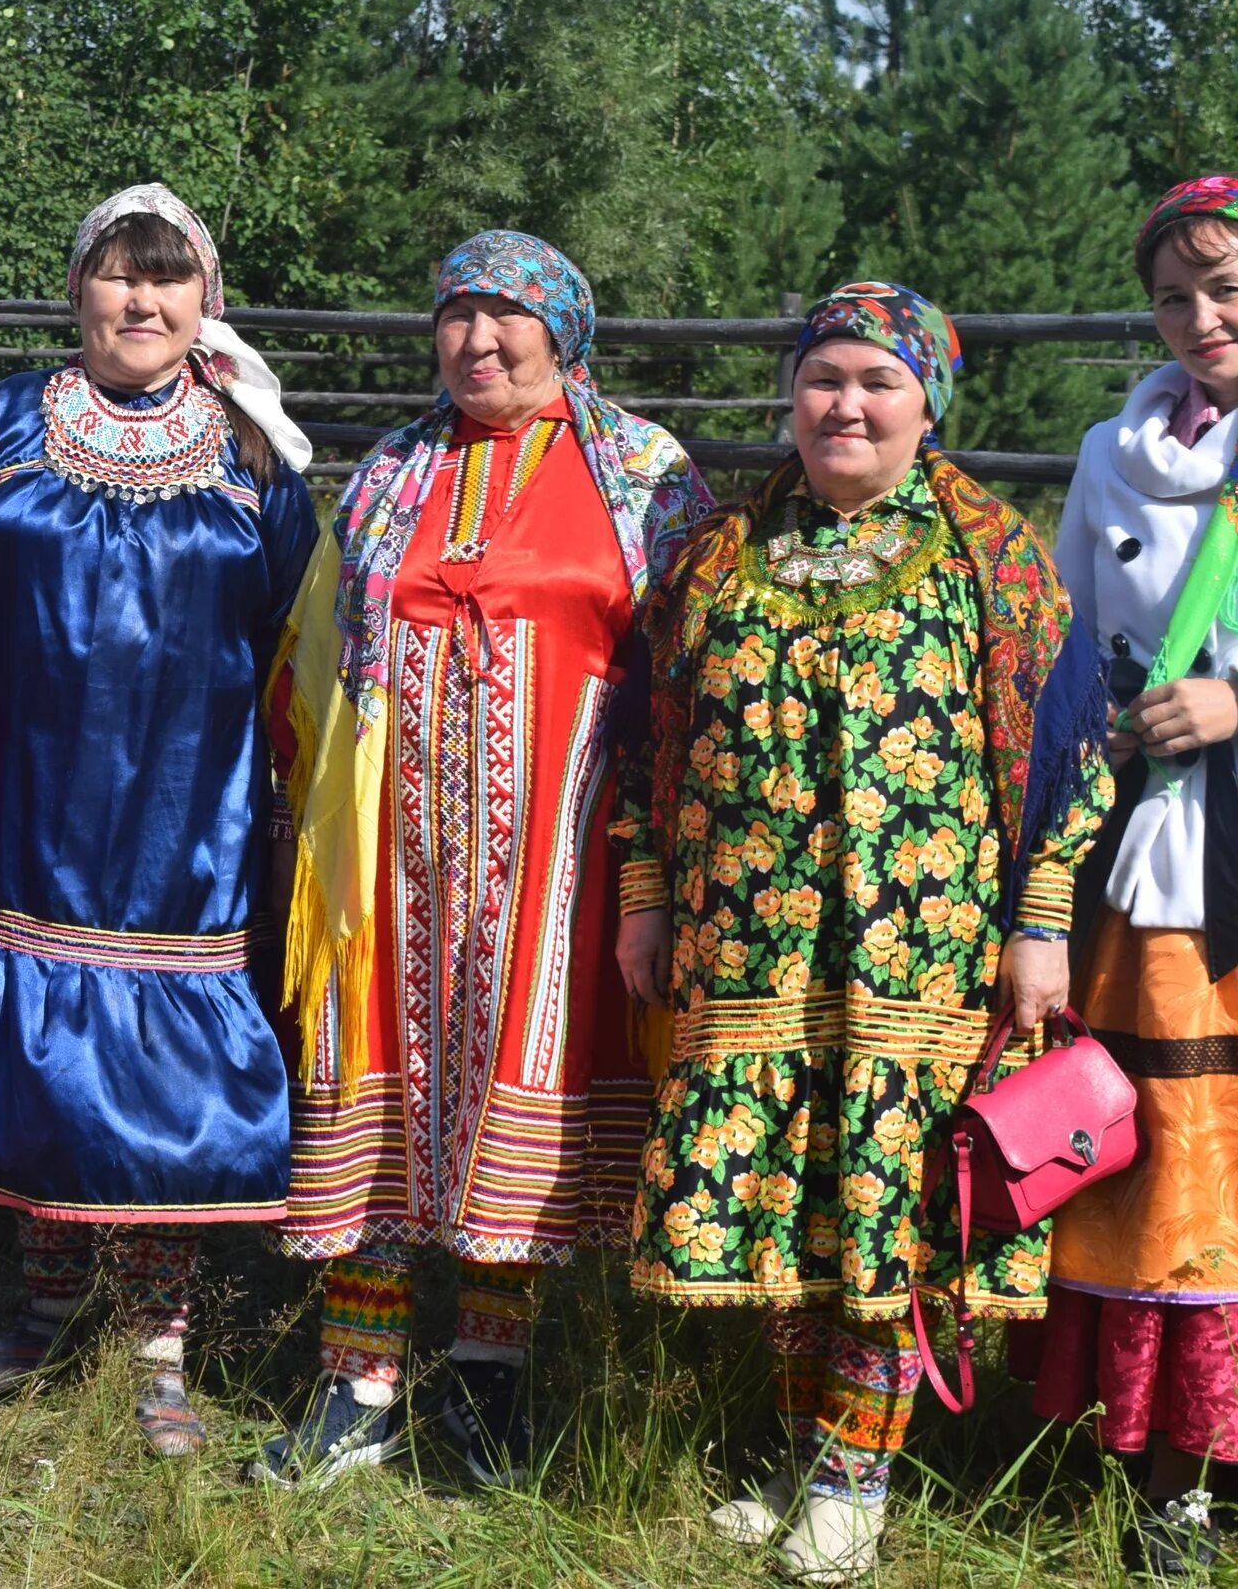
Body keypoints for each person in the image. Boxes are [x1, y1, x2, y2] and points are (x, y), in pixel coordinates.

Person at [618, 282, 1111, 1582]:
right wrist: (647, 894)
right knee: (787, 1206)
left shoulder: (992, 560)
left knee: (895, 1217)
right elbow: (644, 748)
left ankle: (855, 1478)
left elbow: (1066, 759)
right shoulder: (714, 557)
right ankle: (794, 1452)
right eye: (826, 378)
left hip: (923, 957)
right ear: (791, 393)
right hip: (750, 956)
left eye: (878, 383)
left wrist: (1040, 923)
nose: (847, 404)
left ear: (928, 402)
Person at [255, 230, 712, 1489]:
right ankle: (357, 1384)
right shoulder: (392, 471)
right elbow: (321, 648)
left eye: (507, 316)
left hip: (558, 857)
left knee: (514, 1088)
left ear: (562, 332)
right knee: (386, 1095)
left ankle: (486, 1382)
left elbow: (687, 668)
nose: (477, 340)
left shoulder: (645, 476)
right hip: (389, 855)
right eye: (456, 315)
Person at [0, 183, 315, 1457]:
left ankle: (158, 1343)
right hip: (28, 798)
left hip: (186, 808)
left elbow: (295, 636)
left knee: (169, 1067)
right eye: (118, 275)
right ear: (76, 288)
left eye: (169, 279)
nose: (142, 301)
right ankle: (42, 1298)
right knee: (40, 1051)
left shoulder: (257, 452)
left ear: (205, 301)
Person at [1031, 176, 1238, 1582]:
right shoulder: (1116, 452)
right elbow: (1069, 642)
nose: (1204, 318)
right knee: (1159, 1156)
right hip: (1138, 852)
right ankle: (1156, 1471)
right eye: (1176, 295)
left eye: (1227, 286)